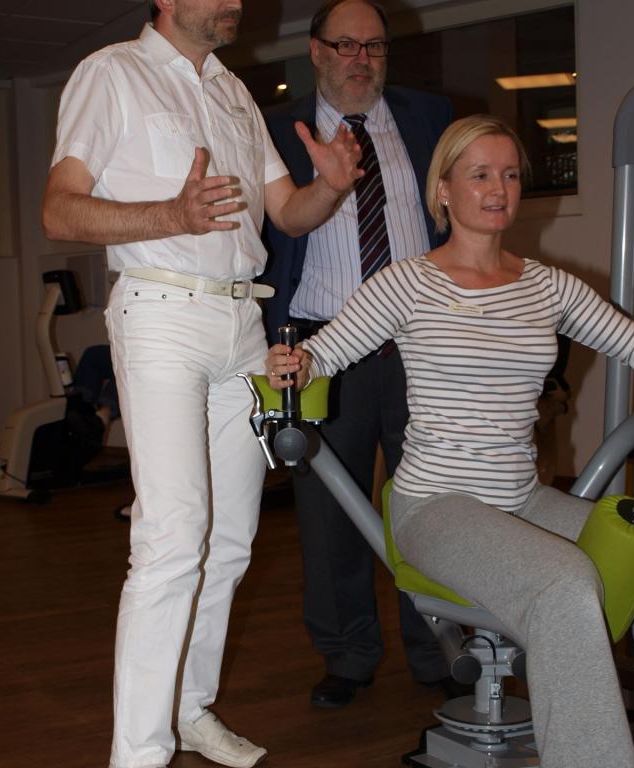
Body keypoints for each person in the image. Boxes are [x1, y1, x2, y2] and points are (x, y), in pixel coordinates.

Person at [266, 114, 634, 768]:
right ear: (443, 190)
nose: (498, 189)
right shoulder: (407, 283)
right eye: (480, 174)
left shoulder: (546, 286)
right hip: (435, 507)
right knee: (564, 583)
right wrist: (292, 366)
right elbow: (323, 355)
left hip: (521, 500)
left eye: (510, 175)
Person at [40, 1, 364, 766]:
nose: (235, 2)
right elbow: (59, 212)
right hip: (161, 312)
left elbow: (288, 212)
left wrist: (331, 187)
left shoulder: (233, 91)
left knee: (229, 542)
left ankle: (189, 710)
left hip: (242, 323)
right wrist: (170, 215)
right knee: (172, 538)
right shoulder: (112, 73)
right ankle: (138, 753)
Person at [261, 0, 454, 708]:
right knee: (328, 512)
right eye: (345, 44)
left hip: (420, 341)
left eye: (373, 46)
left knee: (431, 504)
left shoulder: (431, 117)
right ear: (316, 51)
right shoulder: (275, 132)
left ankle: (440, 646)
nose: (360, 59)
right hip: (323, 346)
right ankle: (347, 652)